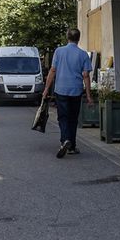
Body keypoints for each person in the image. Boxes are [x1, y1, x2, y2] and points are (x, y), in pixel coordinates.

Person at [41, 28, 94, 158]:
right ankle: (72, 146)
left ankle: (65, 140)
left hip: (61, 90)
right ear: (79, 38)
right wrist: (88, 96)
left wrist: (46, 89)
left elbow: (52, 71)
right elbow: (86, 76)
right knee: (73, 118)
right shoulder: (83, 55)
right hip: (76, 90)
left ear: (67, 37)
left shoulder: (59, 52)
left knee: (63, 117)